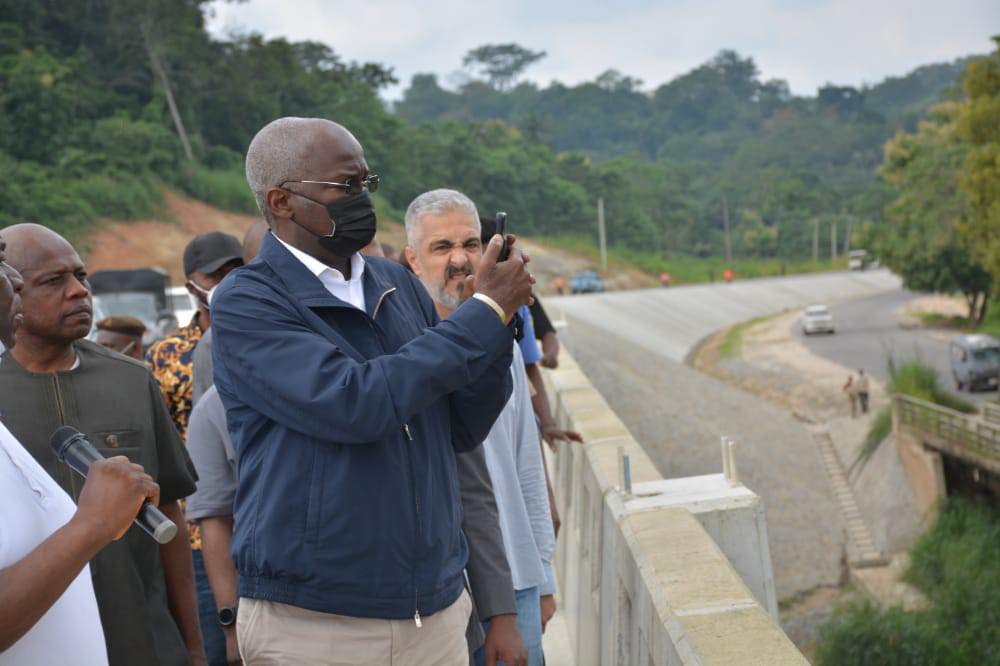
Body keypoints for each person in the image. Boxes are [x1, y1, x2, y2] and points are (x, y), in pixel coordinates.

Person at [211, 116, 534, 664]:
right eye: (345, 187)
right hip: (318, 622)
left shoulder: (397, 284)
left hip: (432, 610)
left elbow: (458, 425)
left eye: (367, 183)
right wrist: (483, 313)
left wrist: (498, 327)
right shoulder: (248, 302)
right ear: (282, 202)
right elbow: (354, 401)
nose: (361, 199)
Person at [0, 224, 204, 666]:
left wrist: (191, 647)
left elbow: (169, 514)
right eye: (53, 282)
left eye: (81, 276)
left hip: (141, 643)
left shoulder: (132, 380)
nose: (78, 292)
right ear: (11, 293)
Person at [406, 189, 557, 665]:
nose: (460, 259)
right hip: (438, 591)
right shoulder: (406, 351)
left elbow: (525, 465)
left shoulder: (505, 343)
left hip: (516, 577)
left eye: (471, 244)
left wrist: (544, 579)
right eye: (441, 247)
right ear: (412, 260)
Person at [146, 231, 243, 666]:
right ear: (192, 286)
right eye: (217, 274)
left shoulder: (258, 334)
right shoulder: (165, 355)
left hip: (249, 515)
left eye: (235, 270)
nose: (229, 280)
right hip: (198, 531)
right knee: (216, 643)